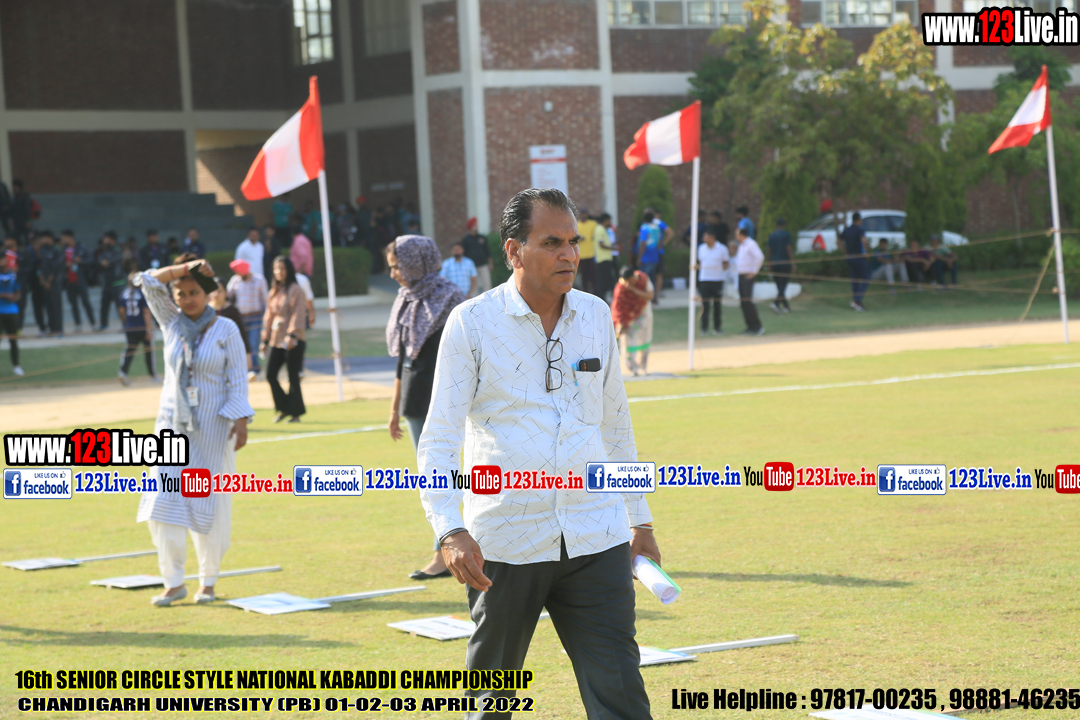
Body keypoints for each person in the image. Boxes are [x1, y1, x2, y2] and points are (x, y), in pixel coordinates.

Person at [418, 188, 660, 720]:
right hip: (505, 541)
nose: (569, 254)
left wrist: (639, 519)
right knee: (492, 702)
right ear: (514, 251)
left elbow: (616, 426)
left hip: (596, 534)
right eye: (552, 243)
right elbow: (439, 436)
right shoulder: (472, 322)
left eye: (573, 242)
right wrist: (449, 529)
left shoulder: (595, 315)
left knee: (621, 695)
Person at [134, 255, 253, 606]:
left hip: (213, 429)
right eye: (181, 294)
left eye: (194, 292)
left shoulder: (226, 329)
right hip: (171, 426)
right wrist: (182, 270)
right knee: (161, 502)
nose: (188, 299)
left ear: (208, 293)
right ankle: (173, 582)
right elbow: (146, 281)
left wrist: (241, 421)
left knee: (209, 504)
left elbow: (237, 379)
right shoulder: (170, 322)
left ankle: (208, 581)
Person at [384, 235, 466, 581]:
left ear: (415, 262)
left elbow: (464, 355)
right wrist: (394, 409)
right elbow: (402, 360)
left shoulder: (450, 298)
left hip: (447, 399)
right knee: (433, 477)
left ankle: (443, 553)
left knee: (442, 476)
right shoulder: (405, 300)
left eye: (397, 267)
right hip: (415, 399)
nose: (393, 274)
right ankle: (445, 549)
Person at [261, 256, 307, 423]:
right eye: (276, 269)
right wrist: (265, 339)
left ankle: (295, 413)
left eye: (282, 268)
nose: (279, 272)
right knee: (270, 374)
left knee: (293, 376)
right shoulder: (274, 291)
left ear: (289, 270)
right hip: (276, 338)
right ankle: (284, 408)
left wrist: (292, 334)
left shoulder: (295, 290)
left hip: (293, 340)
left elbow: (299, 313)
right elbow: (269, 316)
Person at [226, 259, 268, 380]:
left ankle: (253, 369)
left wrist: (267, 316)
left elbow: (266, 299)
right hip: (241, 318)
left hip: (256, 316)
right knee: (242, 343)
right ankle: (246, 368)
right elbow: (227, 295)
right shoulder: (235, 280)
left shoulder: (259, 280)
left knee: (253, 343)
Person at [117, 262, 157, 385]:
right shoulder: (142, 294)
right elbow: (146, 312)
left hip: (130, 327)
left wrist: (126, 322)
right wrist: (149, 329)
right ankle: (152, 375)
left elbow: (121, 310)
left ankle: (123, 372)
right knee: (148, 352)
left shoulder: (124, 294)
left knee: (129, 351)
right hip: (142, 327)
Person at [612, 265, 654, 375]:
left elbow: (650, 296)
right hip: (628, 317)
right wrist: (620, 323)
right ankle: (633, 369)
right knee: (627, 342)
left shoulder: (643, 279)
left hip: (643, 312)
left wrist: (634, 290)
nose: (627, 284)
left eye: (629, 281)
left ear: (632, 277)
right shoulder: (621, 287)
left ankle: (643, 367)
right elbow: (617, 307)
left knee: (644, 339)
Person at [695, 227, 729, 335]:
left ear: (712, 237)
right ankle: (704, 328)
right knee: (704, 305)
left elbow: (726, 263)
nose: (704, 238)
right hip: (704, 280)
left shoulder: (722, 248)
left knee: (717, 305)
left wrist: (721, 269)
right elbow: (700, 262)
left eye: (706, 236)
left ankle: (717, 328)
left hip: (717, 280)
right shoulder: (701, 248)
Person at [60, 230, 96, 331]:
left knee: (86, 302)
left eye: (64, 238)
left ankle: (93, 323)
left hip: (80, 280)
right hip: (69, 281)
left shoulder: (81, 248)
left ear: (70, 238)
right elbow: (59, 263)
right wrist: (65, 265)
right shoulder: (63, 250)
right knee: (73, 304)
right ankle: (78, 324)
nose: (62, 241)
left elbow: (91, 260)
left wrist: (81, 261)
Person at [734, 227, 764, 335]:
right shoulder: (742, 245)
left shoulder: (751, 244)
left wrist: (754, 272)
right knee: (743, 302)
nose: (736, 236)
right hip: (741, 276)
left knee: (748, 301)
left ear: (741, 235)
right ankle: (750, 326)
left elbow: (760, 257)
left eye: (737, 234)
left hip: (747, 277)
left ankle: (757, 326)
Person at [36, 231, 65, 337]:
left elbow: (56, 268)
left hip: (54, 284)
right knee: (49, 307)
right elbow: (42, 267)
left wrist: (49, 281)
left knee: (56, 306)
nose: (42, 241)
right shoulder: (44, 251)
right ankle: (52, 329)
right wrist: (42, 279)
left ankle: (59, 329)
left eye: (43, 238)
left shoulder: (56, 251)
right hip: (46, 284)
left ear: (49, 238)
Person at [0, 251, 23, 376]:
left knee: (13, 339)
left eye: (2, 259)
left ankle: (16, 366)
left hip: (12, 311)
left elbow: (18, 292)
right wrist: (4, 295)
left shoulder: (13, 275)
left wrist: (15, 297)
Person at [840, 212, 870, 311]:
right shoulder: (859, 230)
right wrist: (866, 253)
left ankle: (856, 302)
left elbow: (838, 242)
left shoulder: (847, 230)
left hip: (849, 257)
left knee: (854, 279)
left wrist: (845, 252)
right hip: (858, 257)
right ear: (859, 220)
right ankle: (857, 300)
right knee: (866, 277)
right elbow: (864, 241)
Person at [98, 232, 125, 331]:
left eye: (107, 239)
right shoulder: (104, 252)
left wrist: (108, 262)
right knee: (104, 305)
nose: (105, 241)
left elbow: (117, 261)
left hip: (117, 283)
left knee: (120, 305)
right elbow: (100, 260)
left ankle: (125, 324)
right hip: (107, 283)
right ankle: (103, 324)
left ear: (112, 240)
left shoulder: (118, 251)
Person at [646, 206, 673, 305]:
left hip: (657, 253)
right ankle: (652, 297)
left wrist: (663, 244)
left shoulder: (657, 223)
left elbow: (670, 232)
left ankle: (655, 296)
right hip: (650, 253)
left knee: (657, 274)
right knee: (652, 275)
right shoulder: (648, 224)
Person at [767, 217, 794, 314]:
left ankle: (786, 306)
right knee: (783, 285)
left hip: (774, 262)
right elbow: (788, 248)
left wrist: (768, 263)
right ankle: (776, 303)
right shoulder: (786, 235)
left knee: (779, 286)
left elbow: (769, 250)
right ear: (784, 225)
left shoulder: (772, 235)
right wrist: (793, 262)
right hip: (784, 262)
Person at [460, 218, 492, 295]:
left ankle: (489, 298)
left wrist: (490, 262)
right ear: (470, 226)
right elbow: (464, 253)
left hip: (483, 264)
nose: (476, 226)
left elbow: (487, 251)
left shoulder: (482, 238)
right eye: (474, 225)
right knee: (474, 285)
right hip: (472, 266)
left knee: (486, 283)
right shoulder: (466, 239)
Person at [635, 211, 663, 294]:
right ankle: (654, 297)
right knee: (652, 279)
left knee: (643, 279)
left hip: (645, 257)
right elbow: (660, 242)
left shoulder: (644, 228)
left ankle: (644, 297)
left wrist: (639, 258)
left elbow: (643, 243)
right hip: (655, 256)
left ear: (644, 219)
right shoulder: (657, 228)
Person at [594, 213, 616, 301]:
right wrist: (613, 248)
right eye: (609, 220)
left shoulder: (602, 229)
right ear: (606, 220)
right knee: (604, 281)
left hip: (605, 258)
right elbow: (601, 244)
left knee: (606, 279)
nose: (610, 222)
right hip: (603, 259)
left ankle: (604, 298)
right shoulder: (600, 230)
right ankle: (602, 298)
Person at [576, 208, 598, 294]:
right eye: (582, 214)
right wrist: (579, 239)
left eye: (585, 214)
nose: (584, 215)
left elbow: (597, 235)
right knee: (584, 276)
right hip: (581, 255)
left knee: (594, 276)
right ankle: (585, 293)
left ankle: (596, 293)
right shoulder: (576, 225)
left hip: (592, 254)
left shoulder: (593, 224)